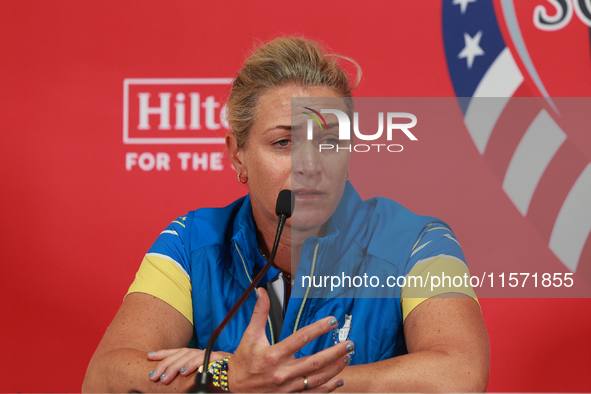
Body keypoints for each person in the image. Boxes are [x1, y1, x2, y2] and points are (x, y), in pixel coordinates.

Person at [82, 37, 489, 393]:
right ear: (237, 154)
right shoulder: (190, 242)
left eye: (330, 140)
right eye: (282, 142)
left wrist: (288, 382)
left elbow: (460, 373)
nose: (309, 164)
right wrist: (230, 379)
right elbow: (105, 378)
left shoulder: (422, 240)